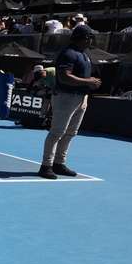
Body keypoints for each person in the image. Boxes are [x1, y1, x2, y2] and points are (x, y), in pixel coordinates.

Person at [39, 25, 100, 179]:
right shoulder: (68, 54)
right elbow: (64, 76)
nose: (91, 40)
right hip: (66, 97)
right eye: (89, 37)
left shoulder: (83, 55)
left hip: (80, 98)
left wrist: (87, 88)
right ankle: (46, 165)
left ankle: (59, 163)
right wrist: (88, 81)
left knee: (71, 133)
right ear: (84, 38)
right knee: (57, 132)